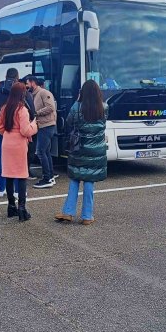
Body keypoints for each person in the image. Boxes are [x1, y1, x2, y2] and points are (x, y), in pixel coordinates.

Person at [55, 80, 107, 225]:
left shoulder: (76, 107)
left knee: (75, 178)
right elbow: (103, 125)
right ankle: (87, 216)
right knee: (90, 180)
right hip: (97, 149)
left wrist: (78, 100)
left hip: (78, 148)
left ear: (82, 92)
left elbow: (69, 122)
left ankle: (68, 212)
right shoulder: (104, 107)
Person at [0, 68, 35, 198]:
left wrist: (5, 132)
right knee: (19, 162)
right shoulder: (21, 91)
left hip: (3, 132)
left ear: (6, 76)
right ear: (17, 76)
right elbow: (31, 110)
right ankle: (17, 191)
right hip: (19, 132)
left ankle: (0, 189)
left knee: (2, 160)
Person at [0, 82, 37, 221]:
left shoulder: (4, 108)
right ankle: (22, 209)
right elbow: (25, 130)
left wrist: (8, 133)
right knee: (21, 175)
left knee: (9, 175)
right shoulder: (22, 109)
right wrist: (34, 125)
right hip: (19, 144)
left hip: (7, 142)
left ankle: (11, 206)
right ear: (22, 94)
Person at [26, 76, 58, 188]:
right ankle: (50, 176)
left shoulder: (44, 93)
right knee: (46, 152)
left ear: (33, 82)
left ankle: (47, 178)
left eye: (27, 83)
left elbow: (50, 107)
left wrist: (36, 113)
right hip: (42, 126)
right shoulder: (34, 94)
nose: (26, 85)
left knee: (40, 151)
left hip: (46, 125)